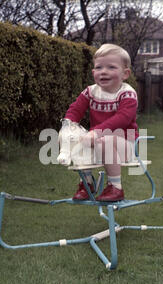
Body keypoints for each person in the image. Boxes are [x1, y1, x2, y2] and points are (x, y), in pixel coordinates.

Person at [64, 43, 138, 201]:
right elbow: (75, 110)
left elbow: (122, 119)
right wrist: (68, 125)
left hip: (125, 144)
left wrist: (95, 133)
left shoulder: (127, 93)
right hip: (97, 140)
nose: (104, 72)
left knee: (105, 141)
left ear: (125, 73)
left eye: (111, 67)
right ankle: (86, 183)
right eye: (99, 67)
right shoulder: (90, 92)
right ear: (93, 72)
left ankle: (115, 187)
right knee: (76, 139)